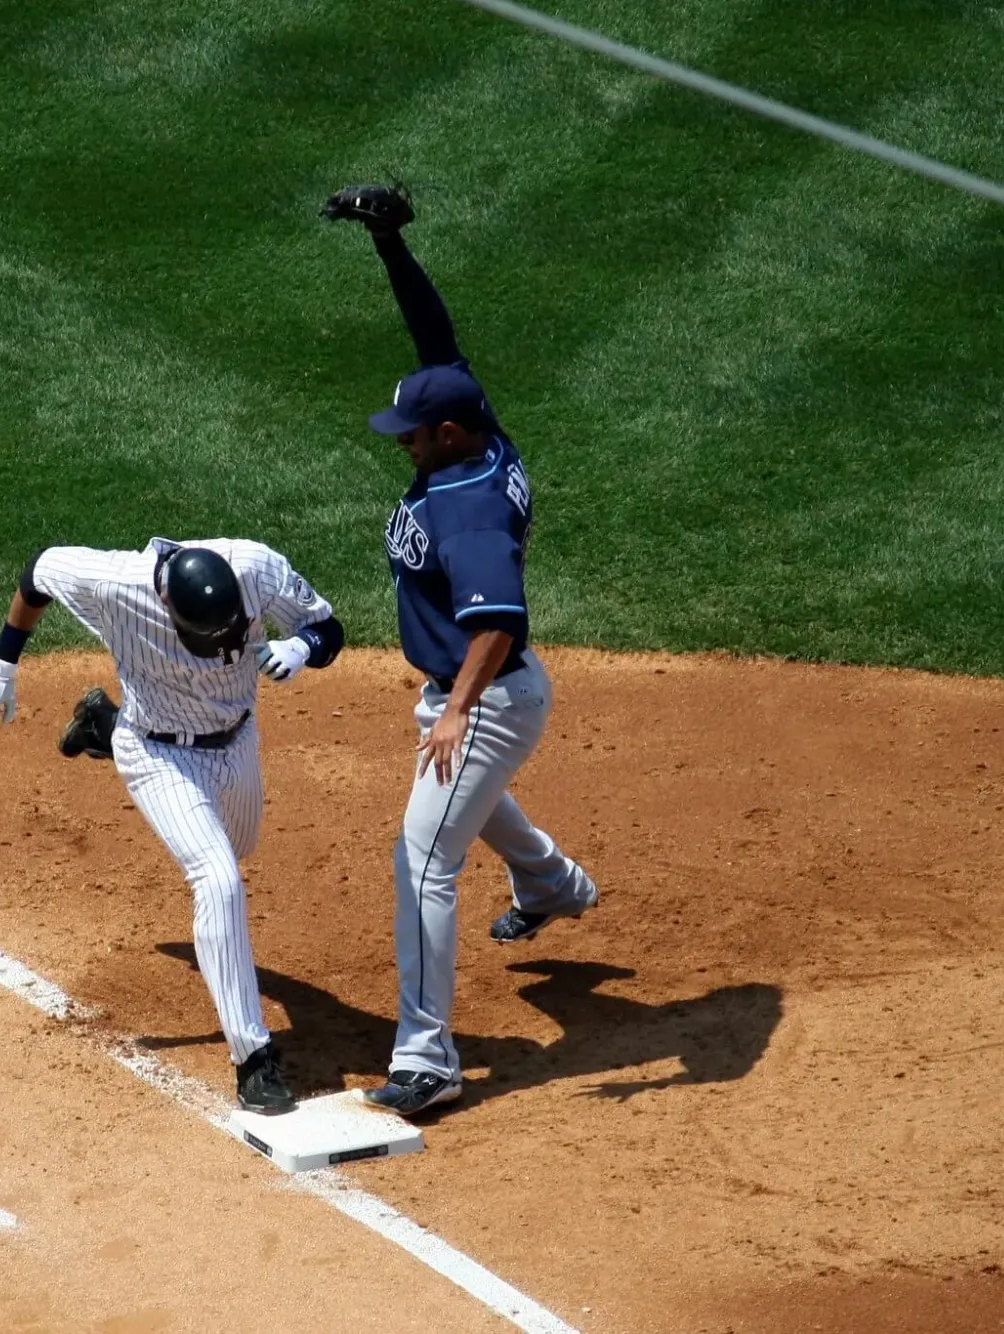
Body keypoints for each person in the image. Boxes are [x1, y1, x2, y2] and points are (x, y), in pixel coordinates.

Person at [322, 183, 599, 1118]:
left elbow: (499, 621)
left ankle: (431, 1060)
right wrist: (391, 246)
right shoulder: (477, 436)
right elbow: (435, 343)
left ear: (447, 433)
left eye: (409, 435)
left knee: (423, 860)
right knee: (456, 819)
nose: (399, 445)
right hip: (483, 693)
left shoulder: (466, 504)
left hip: (486, 693)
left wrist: (455, 709)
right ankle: (551, 883)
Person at [0, 538, 344, 1113]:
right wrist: (1, 664)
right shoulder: (116, 584)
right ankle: (254, 1060)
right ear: (166, 603)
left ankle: (103, 726)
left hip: (237, 742)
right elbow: (39, 569)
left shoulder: (256, 567)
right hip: (159, 755)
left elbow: (328, 629)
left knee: (239, 847)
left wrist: (302, 645)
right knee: (218, 880)